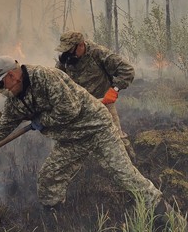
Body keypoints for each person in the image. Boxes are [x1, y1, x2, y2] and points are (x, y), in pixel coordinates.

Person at [0, 55, 188, 232]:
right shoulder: (15, 101)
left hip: (96, 128)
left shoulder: (45, 77)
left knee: (125, 176)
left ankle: (176, 224)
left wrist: (42, 121)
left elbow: (69, 109)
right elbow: (0, 126)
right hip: (72, 138)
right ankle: (56, 226)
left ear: (11, 75)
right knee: (49, 177)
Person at [55, 31, 136, 160]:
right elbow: (57, 80)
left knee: (117, 139)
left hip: (103, 104)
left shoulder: (98, 53)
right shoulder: (66, 59)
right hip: (80, 107)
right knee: (77, 144)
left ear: (80, 45)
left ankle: (133, 165)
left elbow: (127, 70)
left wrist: (114, 90)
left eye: (70, 50)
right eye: (66, 51)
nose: (68, 54)